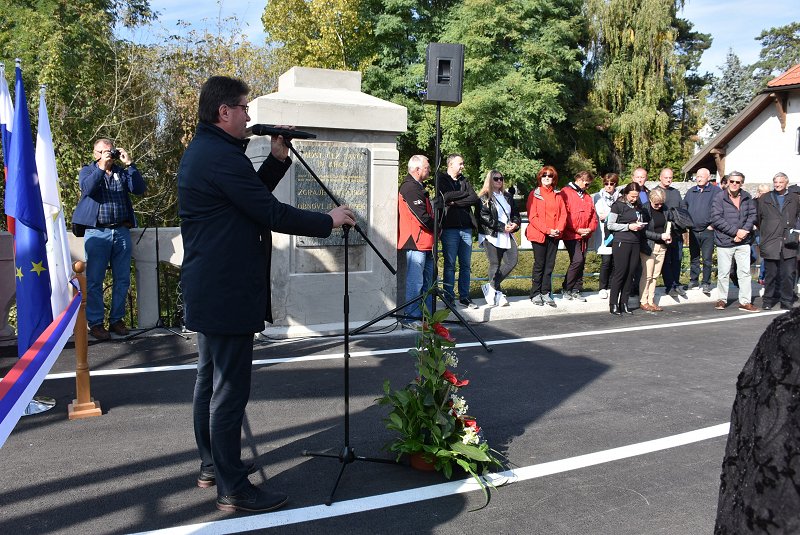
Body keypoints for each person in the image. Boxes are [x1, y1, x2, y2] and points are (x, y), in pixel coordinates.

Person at [178, 75, 355, 513]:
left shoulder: (210, 152)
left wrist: (277, 159)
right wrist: (328, 220)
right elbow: (270, 212)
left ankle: (212, 466)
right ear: (224, 112)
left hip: (211, 289)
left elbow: (247, 198)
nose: (248, 116)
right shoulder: (220, 156)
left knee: (209, 382)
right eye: (243, 108)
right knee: (228, 392)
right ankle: (233, 487)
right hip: (227, 292)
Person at [72, 138, 146, 340]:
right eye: (103, 152)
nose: (108, 154)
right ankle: (96, 323)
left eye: (110, 151)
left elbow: (139, 189)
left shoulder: (121, 172)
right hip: (97, 232)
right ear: (95, 154)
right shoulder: (87, 171)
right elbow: (87, 189)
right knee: (95, 280)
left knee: (122, 279)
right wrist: (101, 168)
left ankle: (116, 320)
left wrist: (130, 164)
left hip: (121, 231)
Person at [710, 171, 758, 312]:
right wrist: (736, 232)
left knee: (744, 273)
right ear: (728, 182)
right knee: (723, 273)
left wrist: (743, 232)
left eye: (738, 182)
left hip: (743, 241)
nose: (734, 184)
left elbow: (752, 215)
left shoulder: (747, 197)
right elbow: (716, 219)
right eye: (732, 181)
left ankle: (745, 301)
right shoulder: (719, 197)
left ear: (741, 183)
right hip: (725, 241)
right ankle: (721, 299)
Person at [436, 154, 479, 308]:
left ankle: (464, 297)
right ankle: (449, 298)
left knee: (466, 265)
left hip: (466, 228)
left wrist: (455, 202)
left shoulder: (464, 180)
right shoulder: (441, 179)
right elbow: (445, 196)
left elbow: (474, 198)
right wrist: (463, 194)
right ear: (451, 164)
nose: (463, 166)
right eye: (460, 163)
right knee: (450, 265)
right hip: (449, 229)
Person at [398, 155, 435, 327]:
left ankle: (427, 318)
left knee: (428, 282)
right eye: (427, 167)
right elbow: (422, 217)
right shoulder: (410, 188)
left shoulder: (417, 187)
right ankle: (412, 318)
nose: (429, 169)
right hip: (416, 242)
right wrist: (438, 226)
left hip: (425, 242)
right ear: (417, 169)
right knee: (416, 282)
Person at [756, 172, 800, 310]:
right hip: (770, 241)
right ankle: (768, 300)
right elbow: (758, 218)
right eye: (775, 182)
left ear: (786, 183)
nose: (778, 185)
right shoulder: (765, 198)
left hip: (789, 241)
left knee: (788, 274)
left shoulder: (795, 198)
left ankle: (786, 300)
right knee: (771, 274)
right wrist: (767, 230)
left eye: (781, 182)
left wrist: (797, 232)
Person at [477, 170, 520, 307]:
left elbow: (515, 214)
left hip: (507, 233)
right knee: (495, 264)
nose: (499, 181)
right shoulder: (484, 197)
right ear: (490, 180)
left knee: (512, 261)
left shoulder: (507, 196)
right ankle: (497, 294)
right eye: (496, 178)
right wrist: (502, 227)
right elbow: (484, 217)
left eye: (501, 178)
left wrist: (515, 224)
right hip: (491, 234)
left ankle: (491, 287)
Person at [526, 166, 566, 307]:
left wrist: (558, 229)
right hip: (539, 234)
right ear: (540, 178)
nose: (547, 178)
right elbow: (532, 216)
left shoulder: (558, 195)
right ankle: (535, 293)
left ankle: (545, 292)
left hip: (554, 235)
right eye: (544, 175)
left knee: (549, 265)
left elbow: (563, 214)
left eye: (550, 175)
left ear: (554, 178)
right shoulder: (534, 194)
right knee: (539, 264)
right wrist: (547, 230)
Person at [606, 183, 647, 315]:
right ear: (626, 194)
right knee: (620, 272)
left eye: (636, 196)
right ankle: (613, 303)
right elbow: (610, 225)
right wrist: (628, 227)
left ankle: (624, 302)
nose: (634, 199)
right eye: (632, 196)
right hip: (621, 241)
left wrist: (639, 225)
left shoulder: (639, 206)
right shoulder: (617, 205)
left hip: (635, 241)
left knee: (630, 273)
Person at [559, 170, 598, 302]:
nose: (588, 187)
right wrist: (577, 229)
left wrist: (590, 229)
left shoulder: (587, 196)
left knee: (581, 261)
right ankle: (567, 287)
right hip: (571, 234)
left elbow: (593, 216)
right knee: (577, 260)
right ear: (580, 180)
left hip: (584, 235)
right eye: (587, 184)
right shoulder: (565, 192)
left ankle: (576, 289)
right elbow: (564, 214)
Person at [682, 168, 720, 295]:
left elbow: (720, 209)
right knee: (694, 257)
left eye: (702, 176)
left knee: (707, 259)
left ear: (708, 178)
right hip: (693, 230)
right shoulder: (691, 191)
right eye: (697, 176)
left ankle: (706, 283)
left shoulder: (715, 191)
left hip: (707, 230)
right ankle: (693, 280)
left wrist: (713, 225)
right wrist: (687, 222)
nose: (699, 178)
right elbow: (684, 206)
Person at [653, 167, 686, 298]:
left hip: (677, 231)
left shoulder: (675, 192)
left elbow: (682, 208)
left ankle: (676, 284)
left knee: (677, 259)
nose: (668, 180)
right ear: (660, 177)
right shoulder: (655, 192)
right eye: (666, 177)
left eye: (670, 177)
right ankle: (669, 285)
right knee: (666, 260)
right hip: (663, 232)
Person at [639, 189, 672, 312]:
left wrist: (668, 237)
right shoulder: (645, 209)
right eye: (656, 204)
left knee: (655, 275)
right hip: (649, 246)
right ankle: (643, 301)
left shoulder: (665, 209)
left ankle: (651, 300)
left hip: (662, 246)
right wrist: (660, 236)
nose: (659, 206)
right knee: (647, 275)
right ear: (650, 200)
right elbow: (643, 231)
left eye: (661, 203)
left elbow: (667, 225)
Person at [593, 173, 619, 299]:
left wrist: (611, 214)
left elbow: (622, 213)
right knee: (606, 261)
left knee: (615, 261)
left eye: (611, 183)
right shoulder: (598, 196)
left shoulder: (620, 196)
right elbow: (601, 215)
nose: (608, 186)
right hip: (604, 234)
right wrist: (614, 213)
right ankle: (602, 288)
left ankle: (612, 286)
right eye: (606, 183)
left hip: (617, 232)